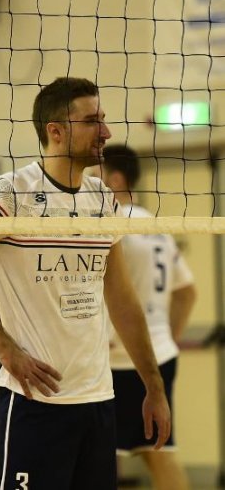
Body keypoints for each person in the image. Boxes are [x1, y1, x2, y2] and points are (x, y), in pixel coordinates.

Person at [0, 77, 171, 490]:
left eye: (105, 120)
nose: (107, 133)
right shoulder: (9, 193)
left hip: (97, 400)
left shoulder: (102, 199)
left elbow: (123, 301)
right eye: (93, 121)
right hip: (35, 404)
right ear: (56, 131)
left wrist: (154, 386)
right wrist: (6, 348)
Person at [96, 144, 196, 490]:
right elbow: (188, 291)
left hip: (121, 358)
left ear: (116, 178)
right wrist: (165, 336)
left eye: (98, 176)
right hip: (158, 354)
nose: (92, 184)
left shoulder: (110, 225)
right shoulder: (156, 224)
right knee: (159, 451)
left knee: (96, 453)